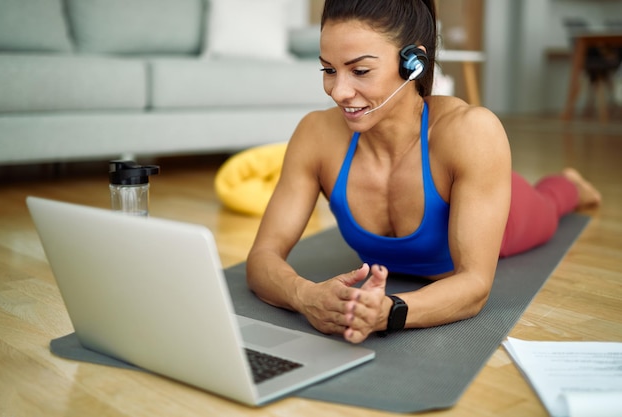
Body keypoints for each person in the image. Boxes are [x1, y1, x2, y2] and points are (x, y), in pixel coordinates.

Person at [245, 0, 601, 344]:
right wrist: (305, 296)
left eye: (360, 71)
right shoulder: (315, 135)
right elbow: (262, 257)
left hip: (508, 216)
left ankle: (569, 184)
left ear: (413, 62)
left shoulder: (471, 132)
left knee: (550, 203)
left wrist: (391, 312)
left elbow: (475, 285)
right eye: (328, 70)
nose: (339, 91)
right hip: (466, 184)